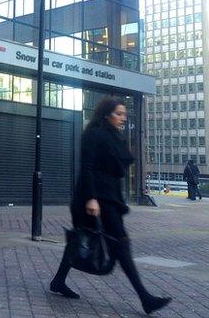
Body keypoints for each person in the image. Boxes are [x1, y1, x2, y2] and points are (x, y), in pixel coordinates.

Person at [49, 97, 171, 315]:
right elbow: (86, 168)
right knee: (119, 244)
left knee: (81, 239)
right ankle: (145, 298)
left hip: (110, 197)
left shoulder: (115, 136)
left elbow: (119, 166)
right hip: (93, 198)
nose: (123, 118)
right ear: (106, 114)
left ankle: (58, 281)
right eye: (119, 114)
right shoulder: (94, 134)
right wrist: (91, 198)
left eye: (124, 114)